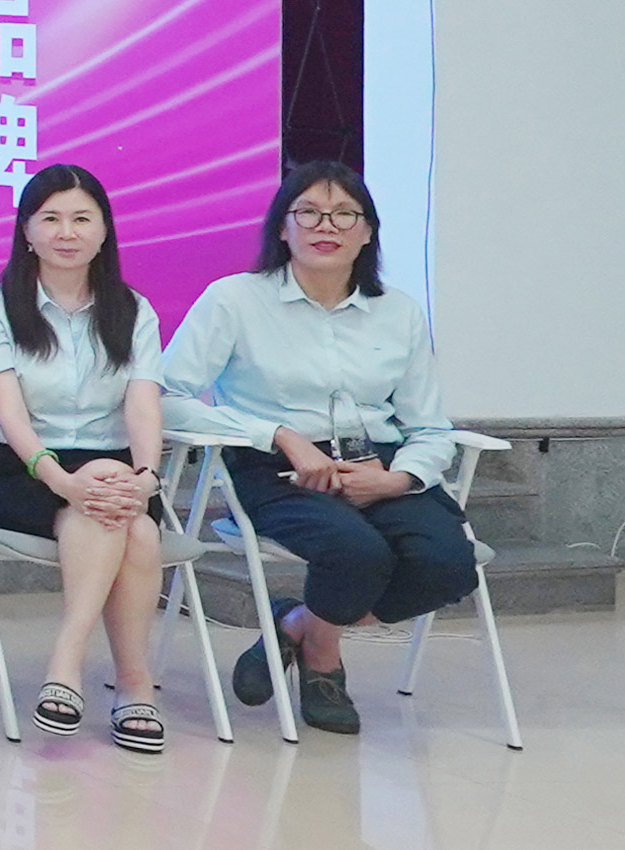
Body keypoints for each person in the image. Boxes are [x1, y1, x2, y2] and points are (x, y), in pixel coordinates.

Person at [173, 161, 472, 738]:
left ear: (367, 231)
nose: (326, 226)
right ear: (282, 228)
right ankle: (323, 663)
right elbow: (165, 397)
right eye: (308, 212)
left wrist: (400, 479)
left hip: (378, 462)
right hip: (277, 466)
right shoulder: (234, 300)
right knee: (356, 552)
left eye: (343, 214)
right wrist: (278, 436)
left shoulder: (399, 311)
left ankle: (298, 623)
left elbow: (429, 425)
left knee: (447, 565)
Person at [0, 163, 173, 751]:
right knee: (127, 518)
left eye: (82, 218)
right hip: (21, 466)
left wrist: (148, 478)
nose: (66, 232)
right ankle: (131, 685)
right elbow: (9, 416)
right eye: (50, 218)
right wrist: (62, 479)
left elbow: (142, 406)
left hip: (114, 472)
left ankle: (69, 664)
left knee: (134, 520)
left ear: (104, 231)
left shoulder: (133, 310)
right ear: (26, 231)